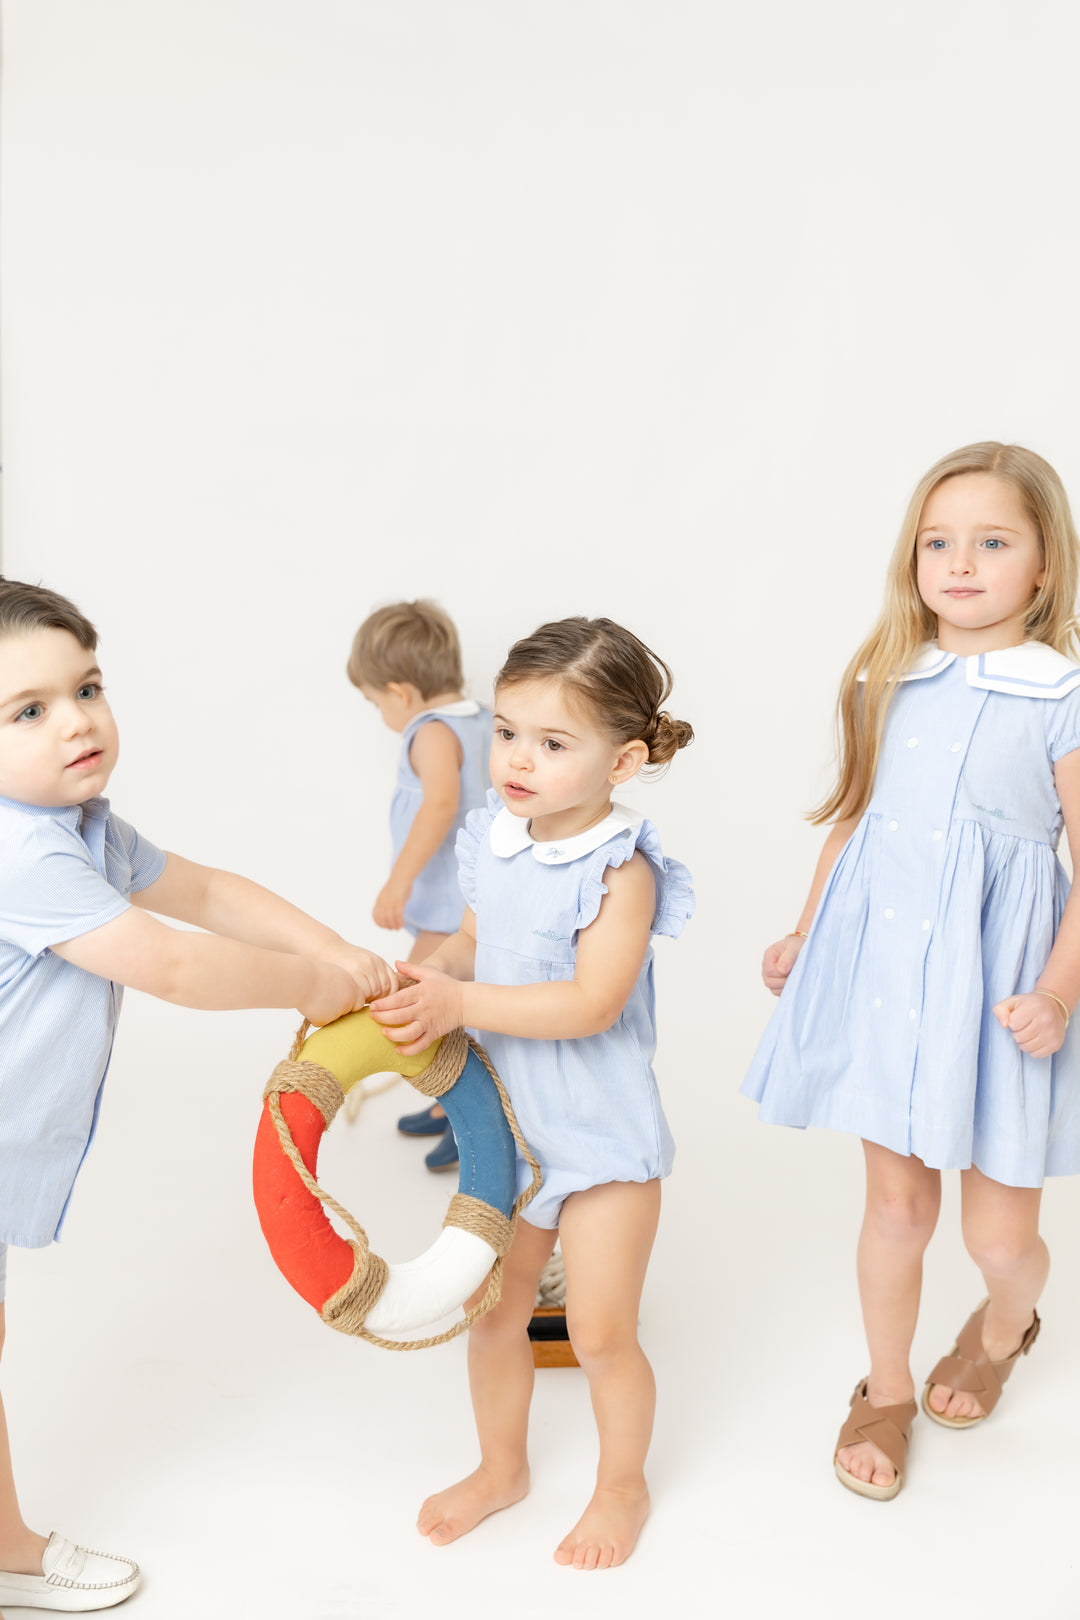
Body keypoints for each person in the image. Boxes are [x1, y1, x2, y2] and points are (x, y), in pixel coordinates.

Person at [0, 578, 394, 1611]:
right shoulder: (19, 848)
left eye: (85, 686)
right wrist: (308, 988)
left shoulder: (80, 823)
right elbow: (169, 964)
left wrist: (330, 946)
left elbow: (207, 891)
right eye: (27, 710)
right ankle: (8, 1551)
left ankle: (4, 1547)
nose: (76, 720)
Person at [743, 442, 1080, 1501]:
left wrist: (1060, 992)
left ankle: (1010, 1317)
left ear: (1044, 565)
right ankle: (884, 1389)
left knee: (998, 1232)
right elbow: (855, 820)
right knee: (896, 1208)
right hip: (890, 972)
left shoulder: (1059, 696)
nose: (961, 563)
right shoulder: (886, 678)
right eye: (939, 541)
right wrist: (805, 934)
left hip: (1004, 990)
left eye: (992, 541)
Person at [370, 616, 693, 1569]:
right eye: (506, 731)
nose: (516, 758)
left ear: (623, 759)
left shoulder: (621, 870)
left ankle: (621, 1485)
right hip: (509, 1136)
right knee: (495, 1315)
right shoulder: (492, 836)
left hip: (600, 1145)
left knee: (598, 1333)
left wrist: (465, 997)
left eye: (554, 743)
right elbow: (471, 943)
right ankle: (500, 1466)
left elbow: (592, 1003)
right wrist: (427, 976)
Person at [347, 600, 490, 1168]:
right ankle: (447, 1104)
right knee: (449, 1003)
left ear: (401, 693)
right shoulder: (481, 718)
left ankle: (470, 1115)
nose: (380, 712)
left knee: (423, 998)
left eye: (374, 700)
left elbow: (441, 802)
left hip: (451, 902)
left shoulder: (430, 730)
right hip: (471, 897)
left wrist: (398, 881)